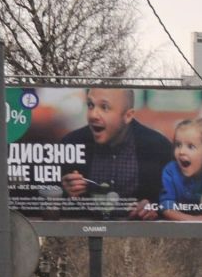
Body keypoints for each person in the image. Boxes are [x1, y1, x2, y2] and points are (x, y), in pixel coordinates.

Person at [58, 87, 172, 217]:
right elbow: (41, 204)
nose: (93, 115)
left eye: (104, 107)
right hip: (84, 235)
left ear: (128, 116)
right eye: (90, 105)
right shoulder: (71, 143)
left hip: (138, 235)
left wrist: (155, 208)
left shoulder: (158, 147)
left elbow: (177, 201)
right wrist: (64, 192)